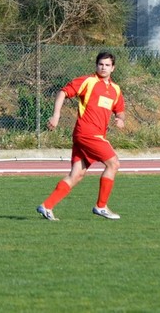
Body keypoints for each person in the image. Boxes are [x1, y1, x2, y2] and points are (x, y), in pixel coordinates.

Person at [36, 51, 125, 221]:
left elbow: (120, 112)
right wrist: (56, 115)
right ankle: (101, 206)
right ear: (96, 65)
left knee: (77, 174)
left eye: (107, 65)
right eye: (100, 64)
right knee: (113, 163)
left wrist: (120, 119)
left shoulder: (115, 90)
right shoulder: (88, 81)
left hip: (91, 136)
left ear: (113, 68)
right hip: (87, 133)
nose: (103, 67)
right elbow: (63, 92)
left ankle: (46, 206)